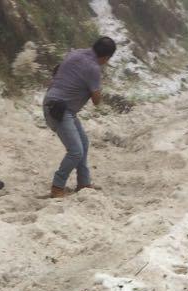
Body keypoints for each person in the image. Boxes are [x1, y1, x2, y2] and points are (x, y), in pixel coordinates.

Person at [42, 37, 117, 199]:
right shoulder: (93, 69)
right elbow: (96, 101)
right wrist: (96, 88)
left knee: (83, 143)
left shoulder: (75, 53)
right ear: (106, 57)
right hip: (59, 110)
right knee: (76, 151)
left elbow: (57, 71)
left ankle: (84, 183)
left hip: (53, 103)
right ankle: (57, 187)